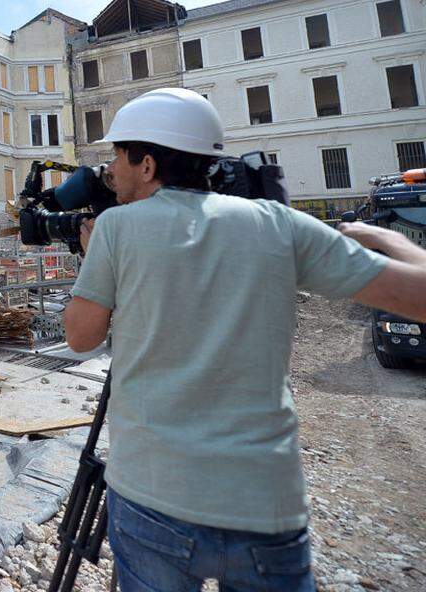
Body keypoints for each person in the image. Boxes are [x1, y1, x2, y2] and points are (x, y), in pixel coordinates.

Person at [63, 88, 426, 592]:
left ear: (146, 165)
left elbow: (81, 338)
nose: (111, 171)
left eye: (117, 157)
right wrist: (394, 239)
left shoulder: (116, 228)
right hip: (264, 506)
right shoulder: (278, 224)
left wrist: (94, 260)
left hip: (152, 493)